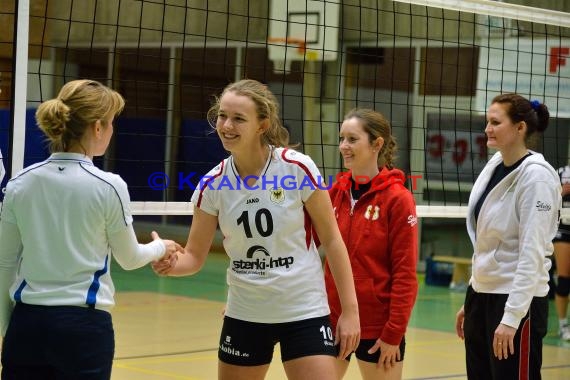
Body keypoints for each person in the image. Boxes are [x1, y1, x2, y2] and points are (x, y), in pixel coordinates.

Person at [152, 79, 360, 380]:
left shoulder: (295, 169)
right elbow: (194, 257)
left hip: (303, 311)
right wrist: (171, 264)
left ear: (262, 125)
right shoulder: (213, 185)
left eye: (238, 118)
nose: (226, 125)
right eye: (222, 116)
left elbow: (333, 241)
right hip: (245, 314)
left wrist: (350, 312)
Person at [0, 79, 182, 379]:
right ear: (98, 128)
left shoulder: (20, 184)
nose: (112, 130)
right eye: (111, 123)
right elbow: (130, 257)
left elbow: (5, 262)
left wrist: (7, 327)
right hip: (82, 327)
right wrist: (162, 247)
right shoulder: (109, 186)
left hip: (27, 324)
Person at [455, 93, 560, 379]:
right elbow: (486, 242)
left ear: (520, 127)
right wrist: (474, 294)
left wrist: (512, 318)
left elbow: (532, 253)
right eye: (487, 121)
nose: (487, 128)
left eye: (495, 122)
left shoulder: (537, 177)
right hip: (483, 297)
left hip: (517, 303)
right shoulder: (494, 166)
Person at [322, 109, 418, 380]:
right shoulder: (333, 194)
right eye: (342, 138)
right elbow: (301, 243)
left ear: (377, 144)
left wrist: (393, 334)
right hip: (333, 320)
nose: (343, 146)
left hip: (378, 328)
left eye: (352, 139)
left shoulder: (398, 199)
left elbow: (405, 274)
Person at [553, 165, 570, 340]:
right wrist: (561, 192)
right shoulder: (560, 173)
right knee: (564, 280)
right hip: (563, 229)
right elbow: (545, 201)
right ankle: (563, 324)